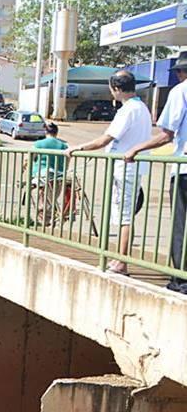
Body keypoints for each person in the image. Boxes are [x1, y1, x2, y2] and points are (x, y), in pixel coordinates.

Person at [66, 71, 152, 275]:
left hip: (126, 169)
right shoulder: (141, 108)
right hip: (130, 168)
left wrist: (77, 148)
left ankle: (121, 262)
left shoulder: (129, 110)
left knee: (124, 217)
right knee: (124, 215)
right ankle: (118, 258)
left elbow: (104, 140)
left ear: (117, 89)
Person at [126, 51, 187, 293]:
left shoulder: (181, 91)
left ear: (182, 72)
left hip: (184, 170)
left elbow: (166, 134)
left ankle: (181, 279)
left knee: (181, 224)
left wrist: (136, 149)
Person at [29, 122, 69, 224]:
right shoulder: (64, 146)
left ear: (45, 132)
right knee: (52, 198)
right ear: (56, 133)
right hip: (58, 176)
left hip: (41, 175)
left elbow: (30, 158)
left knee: (41, 196)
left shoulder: (38, 144)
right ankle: (53, 217)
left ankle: (44, 221)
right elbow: (67, 162)